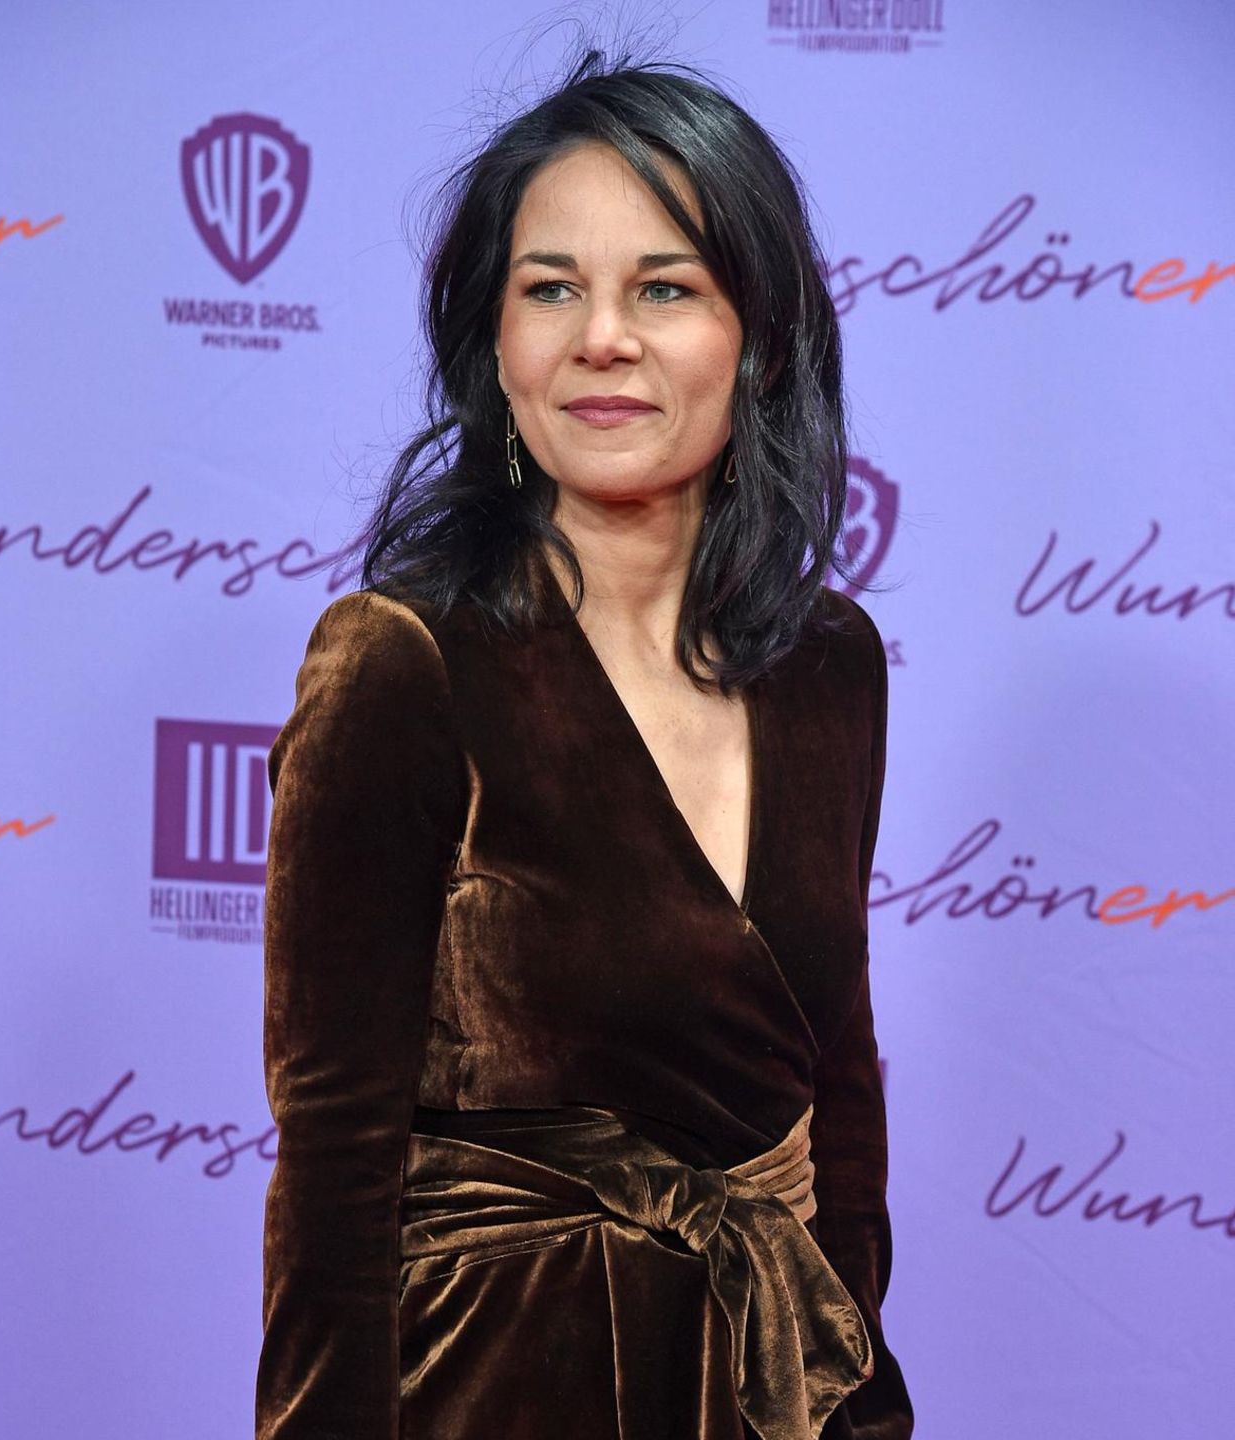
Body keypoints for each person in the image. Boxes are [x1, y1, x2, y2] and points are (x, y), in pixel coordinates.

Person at [256, 50, 915, 1440]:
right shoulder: (401, 662)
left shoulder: (830, 662)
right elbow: (332, 1166)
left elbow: (839, 1081)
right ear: (494, 344)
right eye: (550, 289)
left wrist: (850, 1378)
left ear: (762, 337)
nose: (601, 338)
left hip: (763, 1388)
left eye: (664, 289)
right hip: (496, 1386)